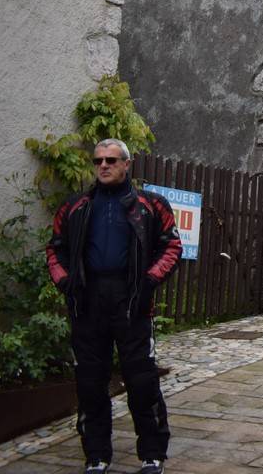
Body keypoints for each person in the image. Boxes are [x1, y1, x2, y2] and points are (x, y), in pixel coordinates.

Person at [46, 139, 182, 474]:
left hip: (132, 300)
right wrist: (64, 282)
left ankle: (152, 454)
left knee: (142, 381)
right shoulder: (75, 206)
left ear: (126, 163)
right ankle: (96, 456)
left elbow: (172, 246)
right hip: (87, 301)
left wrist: (150, 280)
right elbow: (54, 249)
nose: (103, 166)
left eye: (110, 160)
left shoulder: (152, 205)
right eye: (97, 161)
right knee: (90, 383)